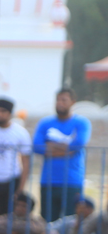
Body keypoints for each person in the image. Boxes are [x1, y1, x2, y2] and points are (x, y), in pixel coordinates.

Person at [32, 88, 91, 221]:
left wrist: (51, 146)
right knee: (48, 221)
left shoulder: (81, 122)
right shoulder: (45, 123)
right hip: (48, 181)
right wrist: (66, 150)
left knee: (71, 220)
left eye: (64, 100)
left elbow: (77, 145)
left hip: (72, 181)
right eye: (58, 100)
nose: (60, 103)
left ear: (73, 102)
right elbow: (37, 146)